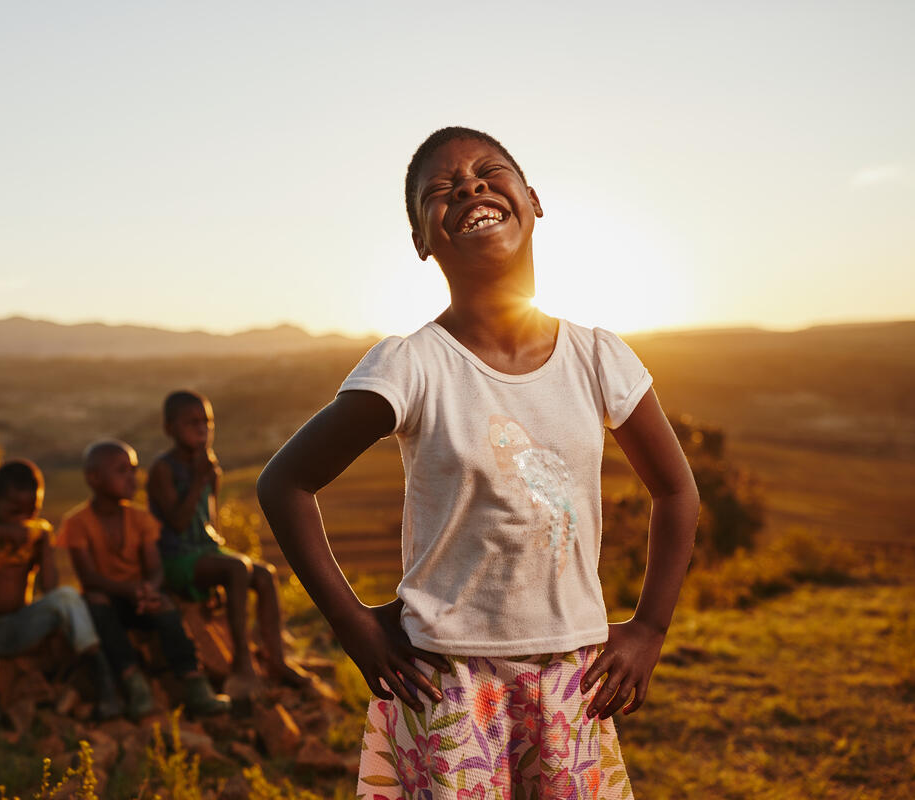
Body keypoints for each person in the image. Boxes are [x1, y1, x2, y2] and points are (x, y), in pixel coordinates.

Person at [256, 126, 699, 798]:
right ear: (421, 241)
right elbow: (285, 482)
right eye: (440, 189)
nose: (468, 185)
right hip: (446, 678)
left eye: (490, 172)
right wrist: (350, 623)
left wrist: (650, 627)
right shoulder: (412, 366)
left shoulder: (598, 357)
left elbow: (676, 492)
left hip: (571, 675)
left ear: (533, 199)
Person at [146, 390, 308, 694]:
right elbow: (177, 522)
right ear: (169, 429)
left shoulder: (209, 468)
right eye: (191, 422)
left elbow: (211, 524)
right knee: (236, 569)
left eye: (207, 422)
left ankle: (276, 660)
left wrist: (216, 565)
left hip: (204, 551)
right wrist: (197, 479)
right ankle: (242, 664)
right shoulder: (163, 469)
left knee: (264, 574)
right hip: (174, 557)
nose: (202, 429)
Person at [58, 438, 230, 718]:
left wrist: (149, 588)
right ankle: (134, 682)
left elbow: (155, 567)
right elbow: (89, 577)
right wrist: (130, 590)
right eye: (121, 470)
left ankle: (193, 682)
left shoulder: (141, 519)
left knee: (164, 605)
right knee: (96, 600)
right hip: (111, 599)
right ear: (94, 478)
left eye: (134, 469)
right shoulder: (76, 522)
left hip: (138, 597)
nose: (132, 477)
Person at [0, 458, 121, 734]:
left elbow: (51, 589)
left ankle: (103, 680)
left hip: (18, 627)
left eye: (31, 511)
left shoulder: (38, 532)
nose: (23, 519)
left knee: (67, 596)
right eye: (15, 510)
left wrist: (44, 547)